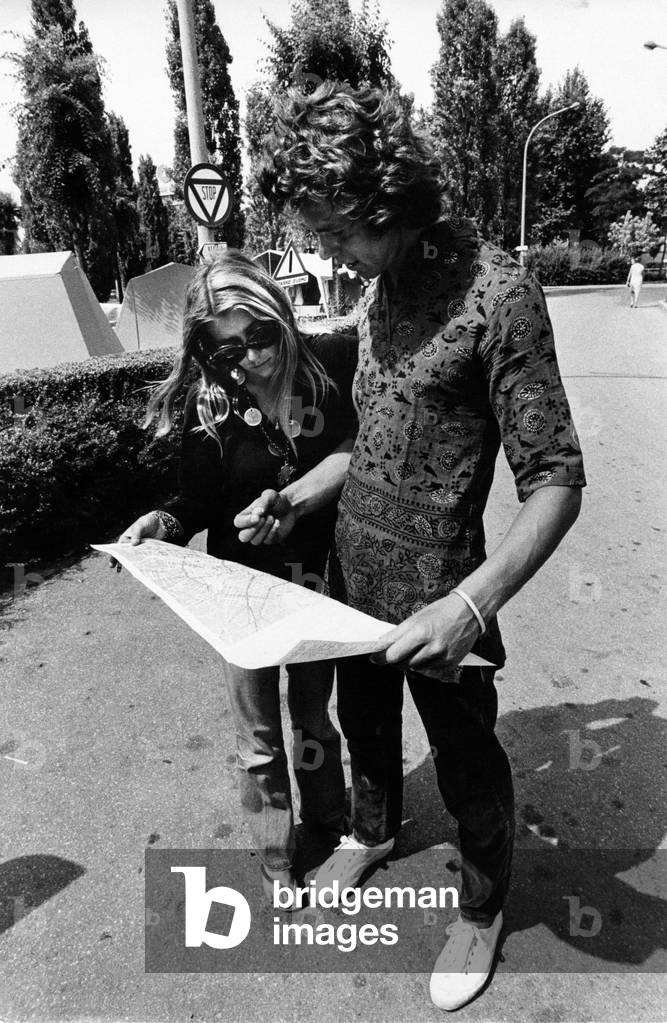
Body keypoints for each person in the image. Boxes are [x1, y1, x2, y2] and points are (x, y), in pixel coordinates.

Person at [237, 82, 586, 1010]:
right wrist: (295, 498)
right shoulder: (380, 288)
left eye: (334, 231)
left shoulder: (499, 294)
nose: (325, 253)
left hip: (442, 600)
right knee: (364, 727)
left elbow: (556, 479)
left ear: (384, 201)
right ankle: (374, 829)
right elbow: (370, 437)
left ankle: (481, 904)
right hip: (352, 577)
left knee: (467, 762)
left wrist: (469, 605)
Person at [111, 250, 358, 902]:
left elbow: (355, 447)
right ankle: (277, 860)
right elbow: (196, 501)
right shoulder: (210, 405)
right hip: (239, 595)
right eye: (227, 350)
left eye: (260, 334)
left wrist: (295, 499)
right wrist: (162, 521)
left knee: (313, 721)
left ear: (281, 313)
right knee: (258, 741)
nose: (250, 357)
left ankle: (330, 825)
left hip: (314, 585)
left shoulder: (329, 367)